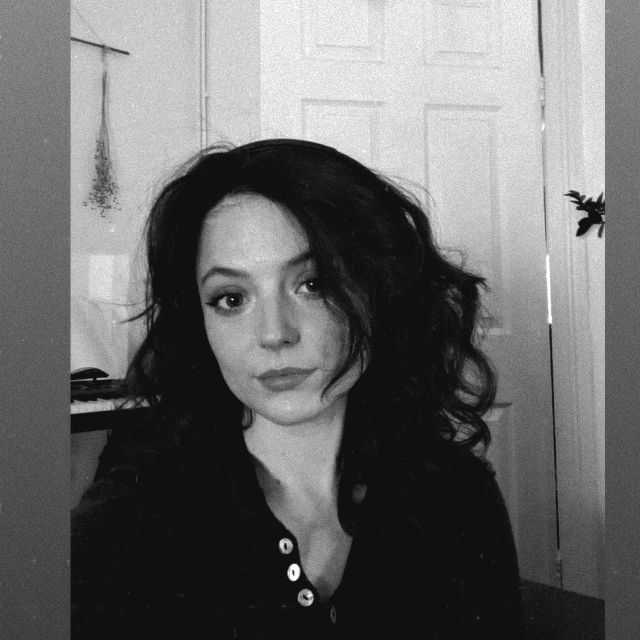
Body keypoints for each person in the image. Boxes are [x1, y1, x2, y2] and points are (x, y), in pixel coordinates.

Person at [71, 139, 523, 639]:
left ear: (380, 290)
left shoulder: (458, 497)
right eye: (231, 298)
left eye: (313, 284)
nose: (274, 333)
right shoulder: (124, 524)